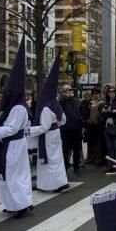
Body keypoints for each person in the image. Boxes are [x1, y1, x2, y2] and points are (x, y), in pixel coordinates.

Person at [0, 36, 33, 218]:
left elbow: (12, 128)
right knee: (9, 175)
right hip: (11, 145)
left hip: (14, 145)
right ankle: (12, 203)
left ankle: (20, 204)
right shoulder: (13, 107)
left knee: (14, 175)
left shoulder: (19, 108)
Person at [29, 53, 68, 192]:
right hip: (55, 134)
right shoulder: (56, 104)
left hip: (48, 136)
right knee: (57, 159)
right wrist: (55, 127)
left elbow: (44, 127)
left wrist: (30, 130)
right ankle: (61, 181)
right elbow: (63, 120)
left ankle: (50, 184)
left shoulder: (45, 108)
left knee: (49, 160)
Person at [59, 85, 83, 174]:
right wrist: (65, 98)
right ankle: (65, 166)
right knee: (65, 149)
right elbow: (59, 108)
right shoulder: (61, 101)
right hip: (66, 129)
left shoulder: (75, 100)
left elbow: (79, 111)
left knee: (76, 149)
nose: (68, 91)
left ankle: (76, 166)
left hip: (76, 128)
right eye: (66, 90)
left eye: (69, 89)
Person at [101, 85, 116, 172]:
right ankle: (110, 166)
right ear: (107, 93)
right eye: (110, 92)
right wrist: (112, 111)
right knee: (109, 148)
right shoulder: (105, 103)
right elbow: (102, 114)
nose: (112, 93)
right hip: (107, 129)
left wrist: (108, 112)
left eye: (113, 91)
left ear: (115, 93)